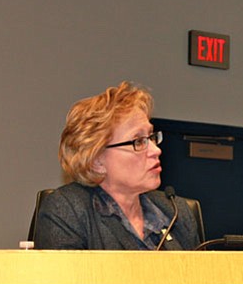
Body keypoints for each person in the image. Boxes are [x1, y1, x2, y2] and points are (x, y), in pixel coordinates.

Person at [35, 81, 200, 250]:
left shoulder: (177, 213)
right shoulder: (68, 210)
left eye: (150, 137)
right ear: (97, 160)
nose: (155, 150)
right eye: (138, 141)